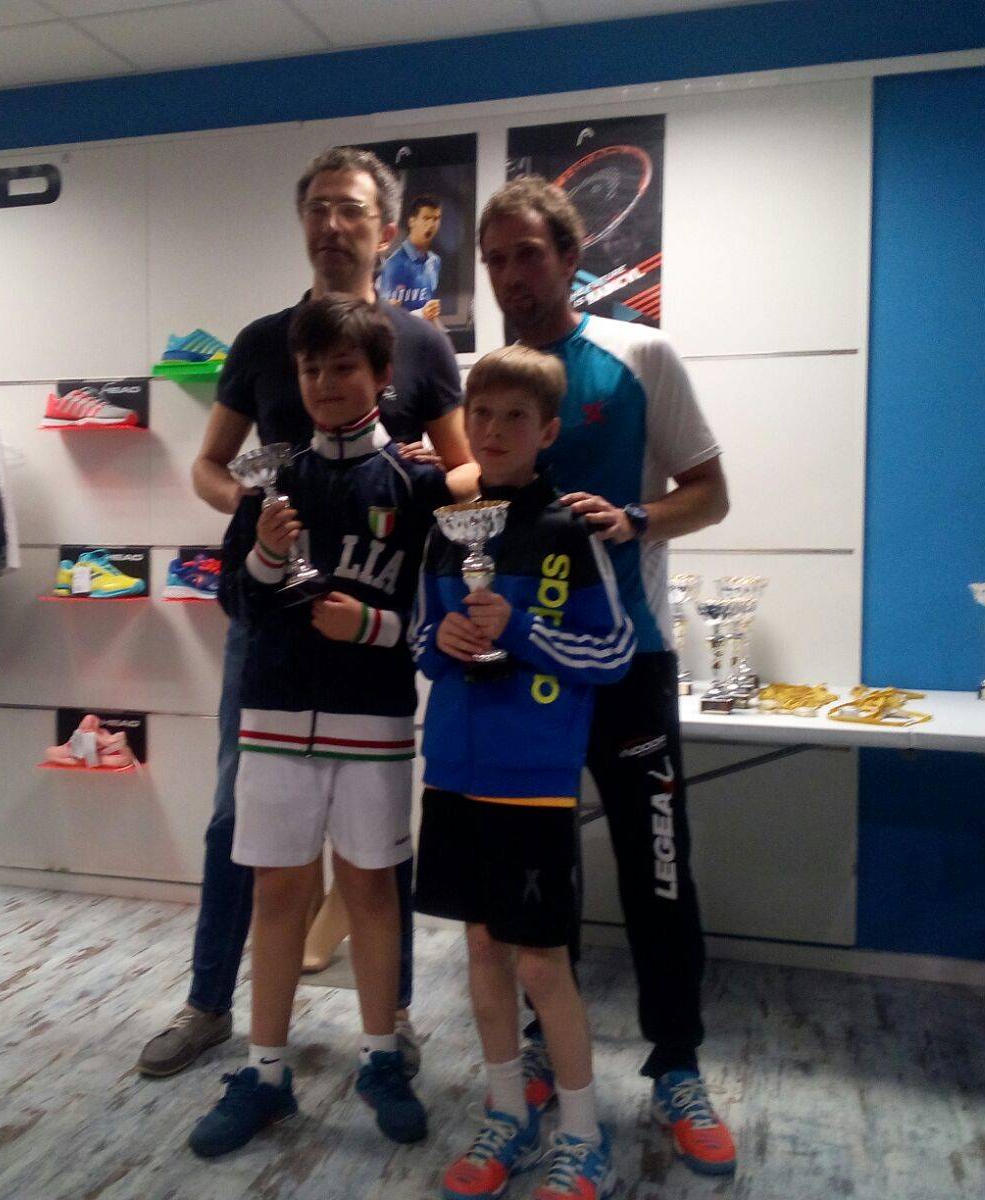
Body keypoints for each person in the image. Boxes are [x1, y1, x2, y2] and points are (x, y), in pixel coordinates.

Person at [139, 147, 472, 1081]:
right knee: (235, 820)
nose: (332, 225)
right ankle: (211, 1004)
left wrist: (462, 487)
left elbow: (461, 476)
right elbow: (210, 466)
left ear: (385, 228)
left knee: (376, 846)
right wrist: (257, 517)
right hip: (270, 626)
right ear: (303, 223)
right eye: (318, 208)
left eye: (351, 210)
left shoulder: (423, 346)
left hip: (370, 633)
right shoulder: (260, 342)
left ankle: (391, 1019)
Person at [477, 176, 737, 1178]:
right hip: (521, 671)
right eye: (494, 259)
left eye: (527, 254)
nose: (510, 274)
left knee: (655, 871)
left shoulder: (638, 354)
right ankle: (546, 1053)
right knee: (540, 879)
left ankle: (678, 1066)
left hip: (630, 661)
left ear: (570, 255)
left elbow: (709, 494)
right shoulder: (489, 379)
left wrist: (638, 520)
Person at [188, 296, 457, 1158]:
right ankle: (266, 1072)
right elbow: (238, 603)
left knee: (371, 890)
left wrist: (370, 627)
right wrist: (267, 553)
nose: (326, 383)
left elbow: (439, 617)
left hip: (373, 720)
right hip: (273, 713)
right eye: (311, 370)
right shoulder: (270, 483)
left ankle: (380, 1057)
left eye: (344, 367)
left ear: (382, 376)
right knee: (278, 892)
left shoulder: (417, 485)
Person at [411, 345, 636, 1200]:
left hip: (534, 776)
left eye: (516, 417)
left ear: (547, 432)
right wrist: (446, 641)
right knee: (481, 946)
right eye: (482, 414)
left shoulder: (569, 529)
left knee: (542, 964)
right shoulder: (447, 527)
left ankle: (582, 1133)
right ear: (464, 424)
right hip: (455, 771)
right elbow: (422, 641)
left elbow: (614, 652)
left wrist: (523, 631)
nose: (496, 429)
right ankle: (508, 1112)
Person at [380, 193, 444, 323]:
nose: (432, 224)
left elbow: (430, 313)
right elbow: (386, 316)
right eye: (426, 218)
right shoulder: (393, 264)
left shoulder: (435, 262)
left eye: (436, 219)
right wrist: (422, 314)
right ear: (412, 221)